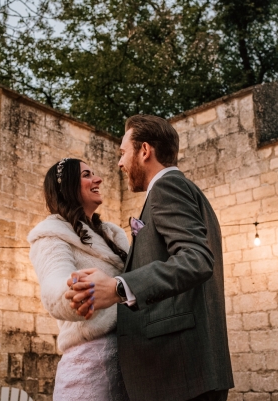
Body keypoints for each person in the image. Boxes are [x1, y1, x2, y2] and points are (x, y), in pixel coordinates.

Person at [66, 115, 234, 401]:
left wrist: (118, 287)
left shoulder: (168, 188)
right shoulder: (184, 190)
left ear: (144, 151)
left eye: (123, 152)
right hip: (189, 373)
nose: (119, 163)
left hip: (178, 375)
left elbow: (196, 259)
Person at [27, 158, 130, 401]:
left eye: (94, 173)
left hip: (132, 364)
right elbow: (54, 284)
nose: (98, 179)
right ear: (69, 187)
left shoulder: (114, 234)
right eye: (86, 175)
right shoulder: (51, 236)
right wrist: (74, 293)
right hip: (90, 367)